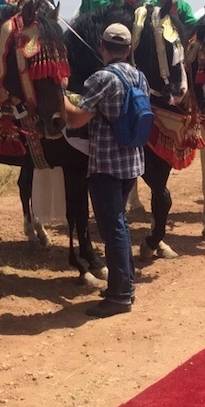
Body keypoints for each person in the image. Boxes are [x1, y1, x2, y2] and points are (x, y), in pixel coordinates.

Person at [62, 23, 150, 316]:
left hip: (106, 166)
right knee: (120, 224)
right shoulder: (140, 77)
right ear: (127, 49)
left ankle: (120, 295)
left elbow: (76, 119)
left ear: (102, 47)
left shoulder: (101, 78)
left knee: (113, 229)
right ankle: (125, 283)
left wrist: (60, 93)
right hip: (132, 163)